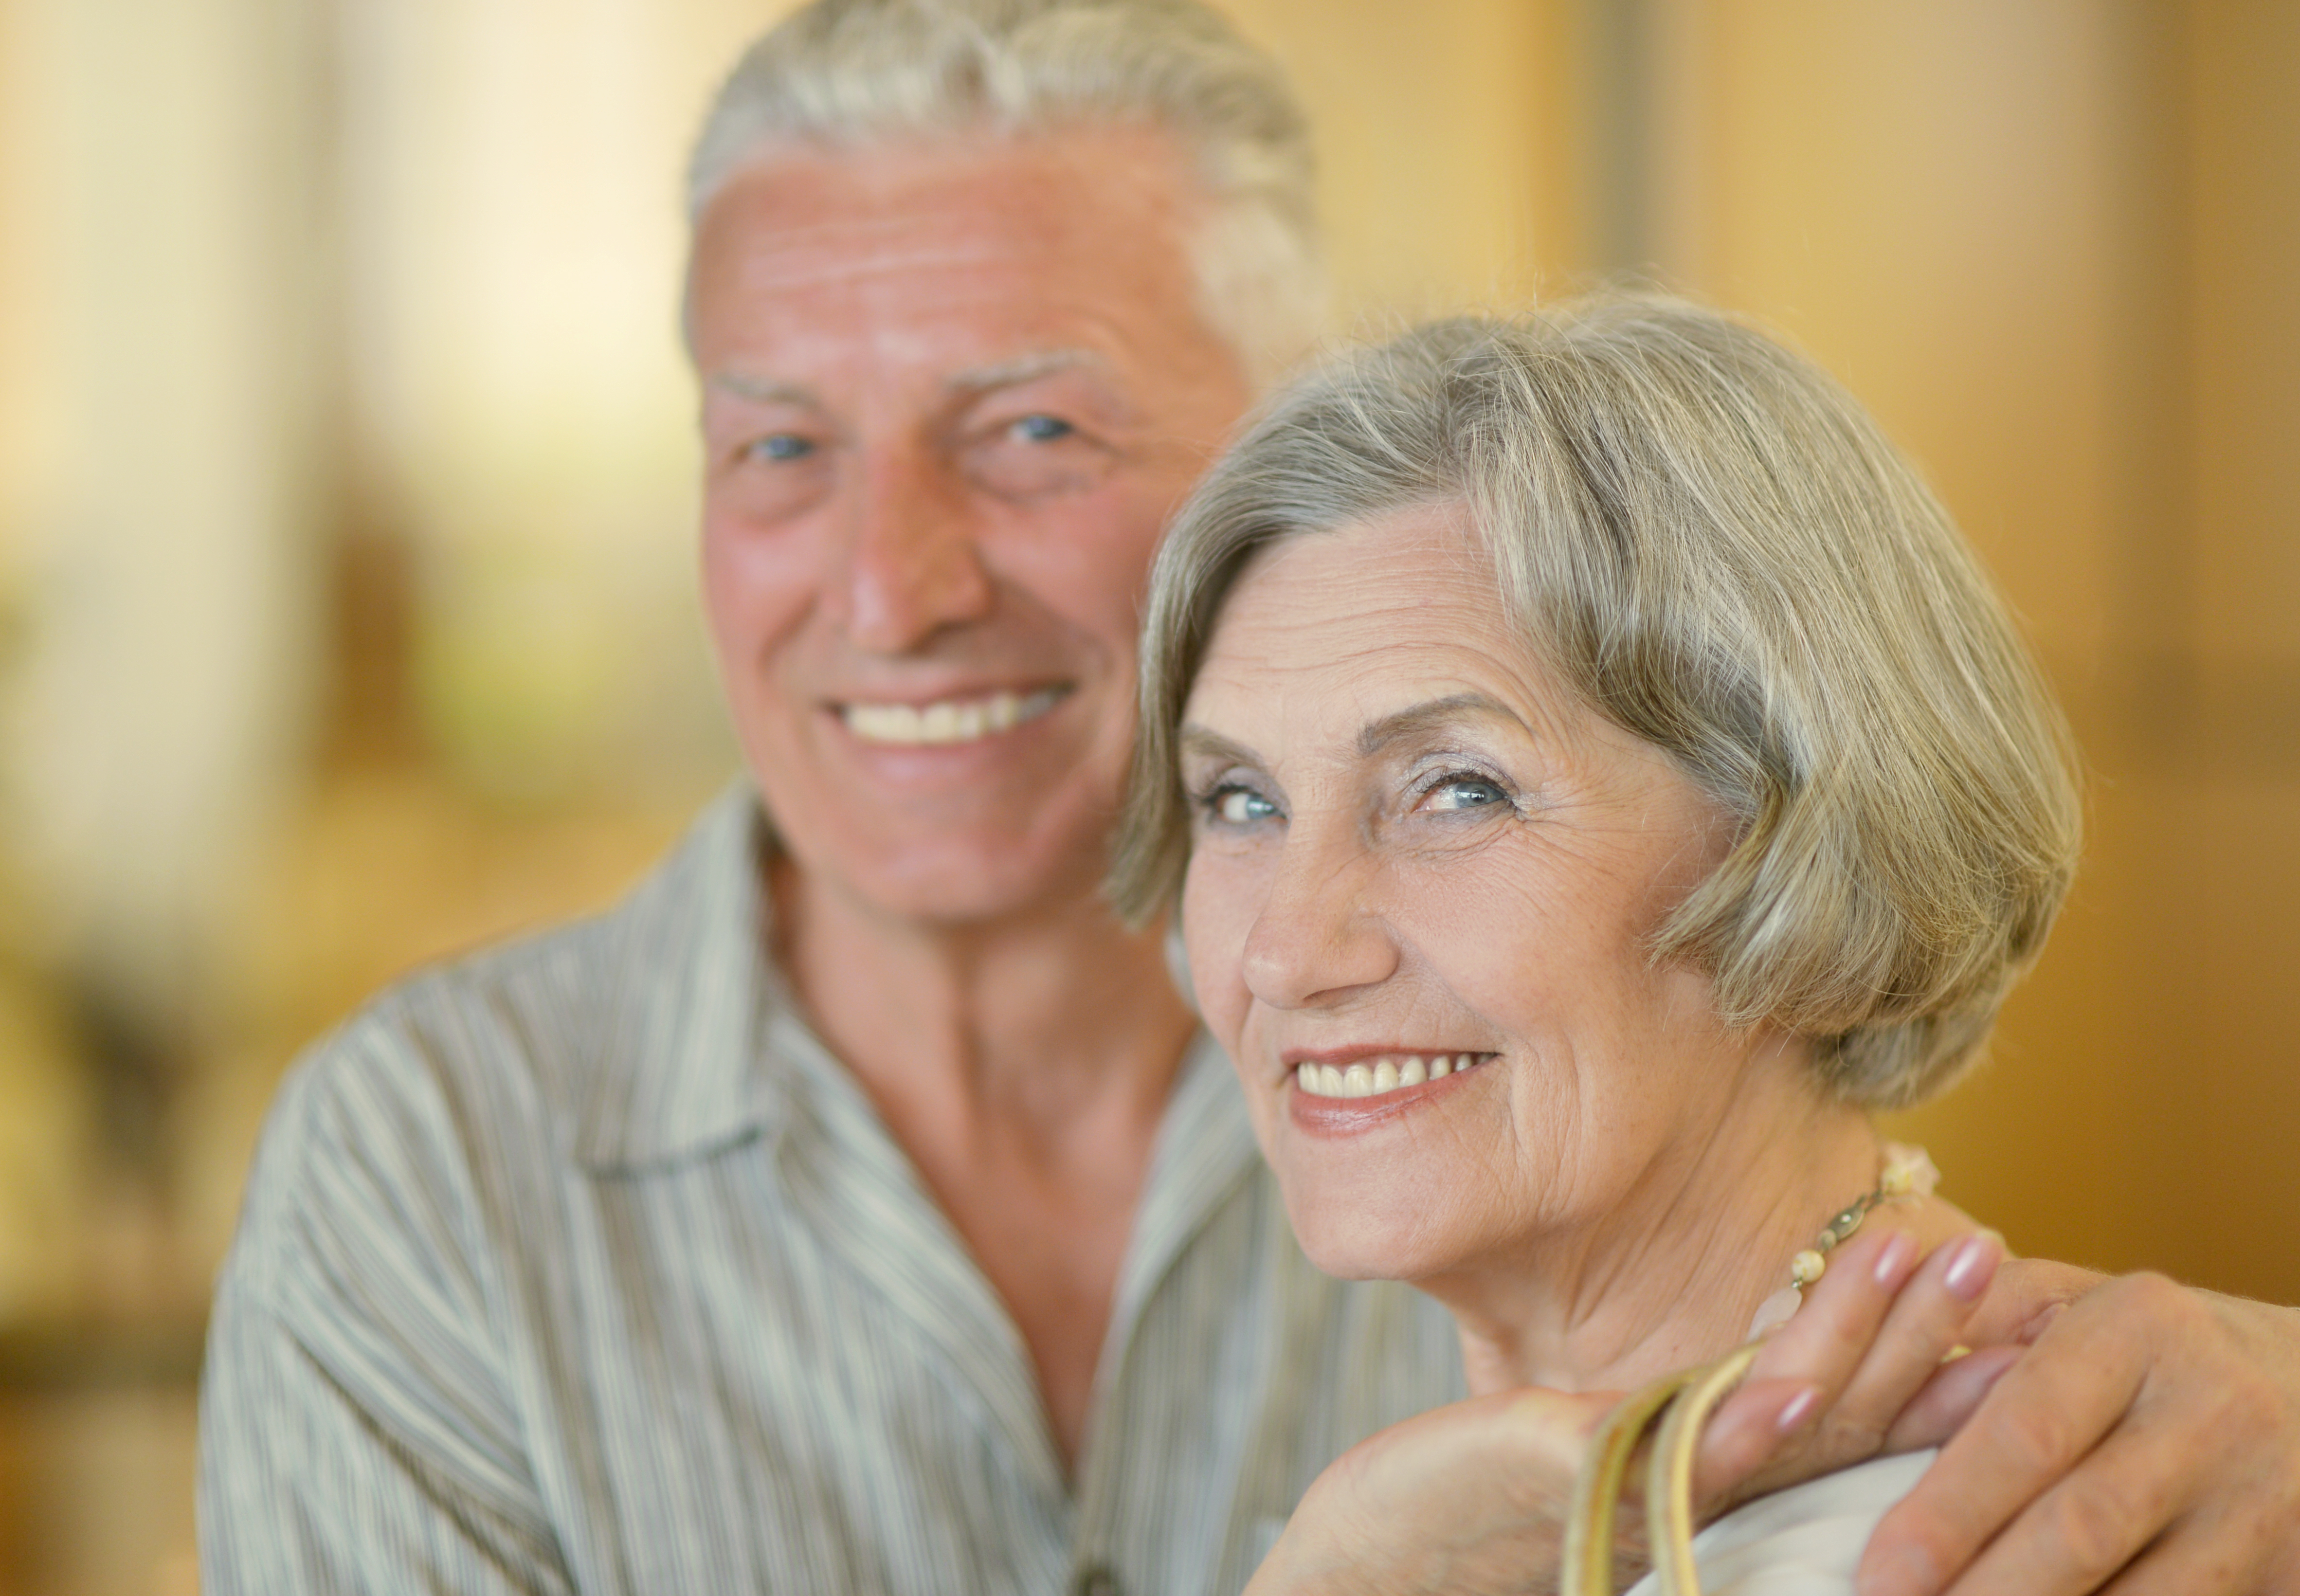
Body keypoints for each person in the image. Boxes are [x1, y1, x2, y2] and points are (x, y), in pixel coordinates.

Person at [198, 2, 2300, 1592]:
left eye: (1025, 429)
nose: (885, 589)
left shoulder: (2029, 1440)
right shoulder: (427, 1169)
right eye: (775, 449)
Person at [1104, 296, 2256, 1592]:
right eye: (1241, 802)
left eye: (1459, 789)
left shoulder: (1983, 1541)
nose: (1286, 953)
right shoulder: (1445, 1502)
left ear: (1796, 826)